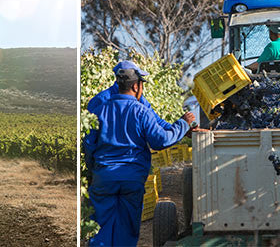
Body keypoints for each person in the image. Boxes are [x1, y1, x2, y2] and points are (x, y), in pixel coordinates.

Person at [84, 64, 200, 247]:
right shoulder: (140, 110)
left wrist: (95, 172)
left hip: (104, 176)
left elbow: (89, 144)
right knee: (127, 228)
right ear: (136, 86)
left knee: (101, 228)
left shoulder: (99, 108)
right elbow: (160, 140)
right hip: (132, 177)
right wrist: (182, 125)